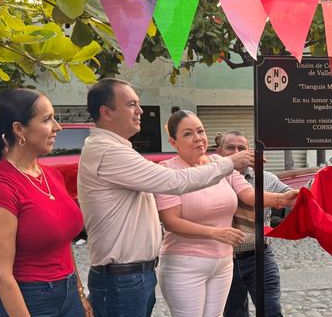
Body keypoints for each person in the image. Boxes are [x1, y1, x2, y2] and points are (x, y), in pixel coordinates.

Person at [78, 78, 255, 317]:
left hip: (136, 274)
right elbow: (174, 182)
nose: (140, 111)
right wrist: (229, 162)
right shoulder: (108, 152)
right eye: (131, 104)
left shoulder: (118, 148)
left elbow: (248, 193)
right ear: (106, 113)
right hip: (123, 276)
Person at [156, 111, 297, 317]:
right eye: (187, 134)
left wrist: (281, 199)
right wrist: (214, 233)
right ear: (173, 141)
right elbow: (171, 221)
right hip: (185, 264)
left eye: (200, 131)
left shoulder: (218, 163)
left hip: (223, 262)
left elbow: (248, 194)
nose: (197, 138)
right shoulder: (168, 170)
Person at [0, 88, 90, 317]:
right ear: (19, 129)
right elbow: (1, 274)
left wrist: (79, 293)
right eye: (47, 119)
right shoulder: (0, 187)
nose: (57, 127)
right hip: (30, 300)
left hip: (68, 292)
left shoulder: (51, 176)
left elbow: (63, 243)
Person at [218, 130, 295, 317]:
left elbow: (292, 198)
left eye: (241, 148)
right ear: (220, 151)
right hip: (223, 260)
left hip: (259, 257)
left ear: (249, 151)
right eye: (230, 148)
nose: (236, 151)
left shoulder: (266, 178)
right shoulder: (210, 178)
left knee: (271, 311)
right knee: (232, 313)